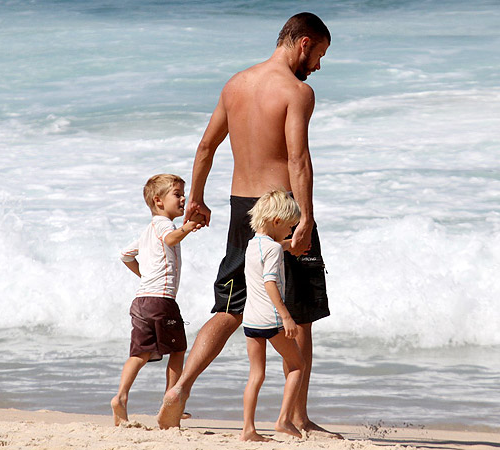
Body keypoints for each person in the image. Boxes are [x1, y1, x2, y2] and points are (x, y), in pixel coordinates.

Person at [158, 12, 337, 437]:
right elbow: (298, 160)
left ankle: (179, 388)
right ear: (304, 43)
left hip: (244, 208)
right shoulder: (298, 91)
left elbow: (206, 146)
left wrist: (196, 198)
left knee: (230, 305)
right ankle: (293, 417)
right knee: (303, 311)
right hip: (282, 210)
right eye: (319, 55)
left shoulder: (235, 84)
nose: (317, 67)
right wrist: (306, 217)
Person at [111, 174, 204, 426]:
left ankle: (121, 396)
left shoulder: (147, 230)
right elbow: (170, 239)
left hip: (141, 300)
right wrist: (187, 227)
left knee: (139, 353)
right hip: (162, 301)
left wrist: (144, 275)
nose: (183, 198)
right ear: (158, 201)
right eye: (177, 194)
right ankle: (170, 402)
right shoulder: (165, 225)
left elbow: (125, 255)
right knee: (178, 349)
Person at [240, 189, 304, 441]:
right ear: (277, 221)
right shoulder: (274, 250)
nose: (290, 231)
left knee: (256, 374)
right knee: (297, 365)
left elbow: (271, 249)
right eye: (289, 227)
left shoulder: (252, 245)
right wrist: (286, 316)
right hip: (272, 319)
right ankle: (284, 419)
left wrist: (286, 245)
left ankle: (248, 429)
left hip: (251, 319)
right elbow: (270, 283)